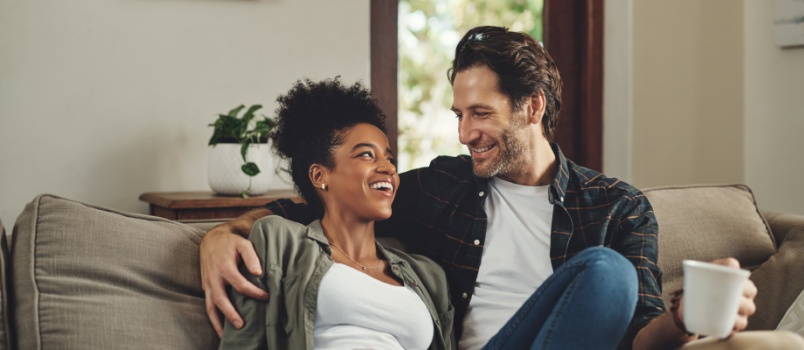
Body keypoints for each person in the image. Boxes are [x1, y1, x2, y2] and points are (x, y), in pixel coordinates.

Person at [203, 26, 804, 349]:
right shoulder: (442, 187)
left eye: (481, 114)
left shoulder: (615, 207)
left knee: (608, 275)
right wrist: (222, 235)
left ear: (531, 107)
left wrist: (686, 317)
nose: (464, 133)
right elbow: (314, 206)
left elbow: (641, 335)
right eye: (459, 114)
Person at [216, 78, 454, 350]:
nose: (388, 168)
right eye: (367, 155)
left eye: (390, 159)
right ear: (320, 175)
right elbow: (244, 342)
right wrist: (221, 233)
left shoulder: (427, 274)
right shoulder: (279, 240)